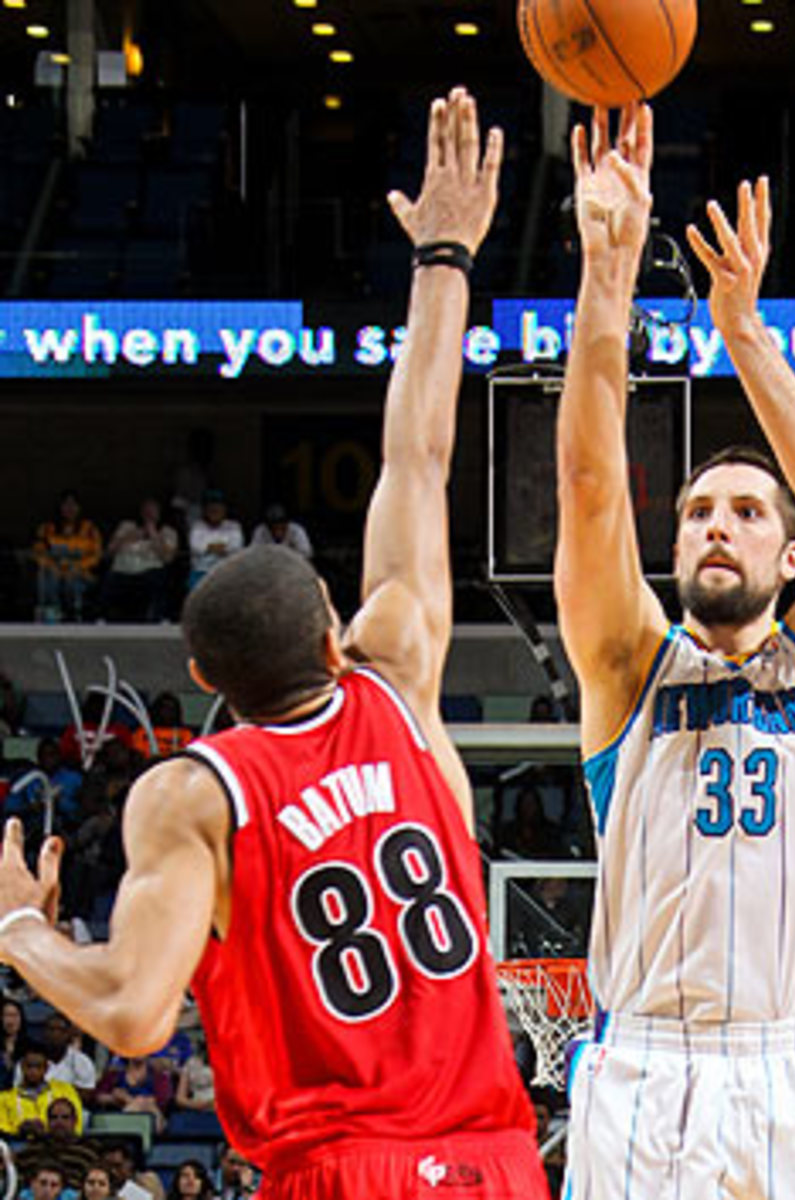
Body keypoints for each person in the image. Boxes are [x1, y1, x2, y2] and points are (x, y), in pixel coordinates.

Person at [0, 88, 546, 1200]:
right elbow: (418, 455)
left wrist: (17, 927)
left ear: (201, 679)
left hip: (336, 1169)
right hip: (493, 1166)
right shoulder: (397, 678)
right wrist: (444, 254)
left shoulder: (192, 794)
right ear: (336, 635)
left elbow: (135, 1012)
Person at [553, 104, 795, 1199]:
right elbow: (590, 486)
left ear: (785, 557)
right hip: (644, 1067)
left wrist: (740, 328)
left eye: (746, 511)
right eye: (697, 510)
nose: (715, 524)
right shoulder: (625, 668)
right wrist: (608, 273)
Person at [101, 499, 178, 623]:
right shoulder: (127, 526)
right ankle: (106, 618)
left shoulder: (167, 532)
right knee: (109, 579)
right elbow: (109, 552)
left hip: (150, 571)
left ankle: (155, 618)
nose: (149, 514)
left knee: (158, 580)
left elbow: (167, 558)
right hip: (123, 570)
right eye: (146, 510)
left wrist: (153, 534)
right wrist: (128, 536)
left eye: (153, 511)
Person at [32, 491, 102, 624]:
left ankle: (74, 619)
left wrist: (77, 568)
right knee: (48, 580)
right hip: (54, 573)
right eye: (66, 505)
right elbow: (39, 553)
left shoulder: (90, 529)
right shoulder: (47, 528)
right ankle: (53, 619)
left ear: (79, 508)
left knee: (72, 585)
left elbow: (96, 555)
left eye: (73, 505)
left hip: (81, 574)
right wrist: (53, 568)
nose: (69, 509)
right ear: (60, 507)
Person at [0, 1044, 83, 1136]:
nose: (33, 1071)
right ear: (22, 1067)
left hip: (56, 1142)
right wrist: (20, 1129)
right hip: (19, 1144)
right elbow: (2, 1128)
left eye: (38, 1066)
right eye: (29, 1066)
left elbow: (76, 1122)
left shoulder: (65, 1090)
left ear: (46, 1068)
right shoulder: (4, 1098)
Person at [187, 491, 244, 590]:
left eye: (218, 508)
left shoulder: (234, 526)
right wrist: (221, 548)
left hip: (226, 572)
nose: (215, 511)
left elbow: (236, 548)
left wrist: (210, 548)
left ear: (224, 509)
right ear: (205, 510)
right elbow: (196, 548)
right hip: (201, 573)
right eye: (211, 508)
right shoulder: (197, 527)